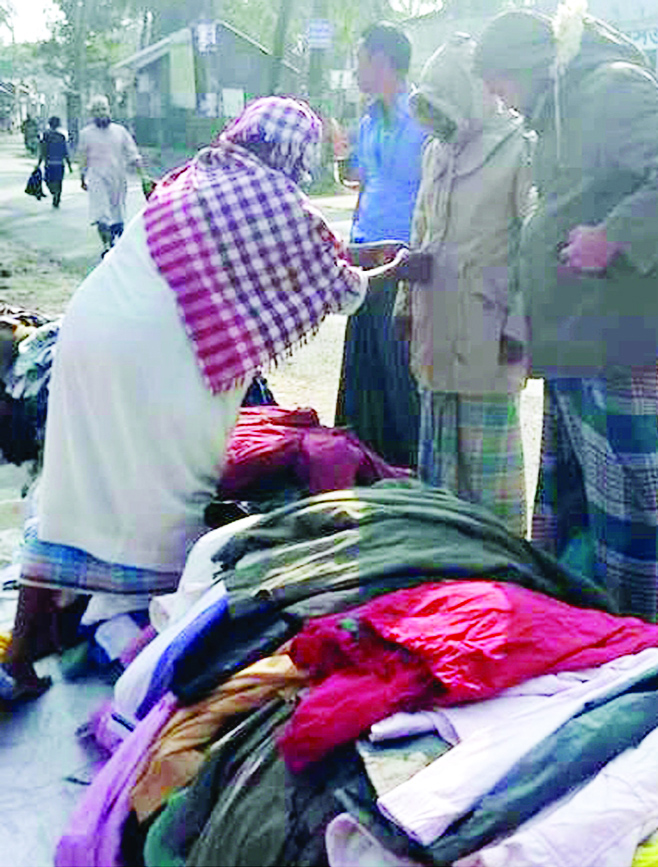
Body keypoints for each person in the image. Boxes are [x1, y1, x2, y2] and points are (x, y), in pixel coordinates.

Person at [0, 97, 413, 705]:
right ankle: (149, 663)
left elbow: (289, 260)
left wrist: (354, 253)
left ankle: (25, 653)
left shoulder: (203, 175)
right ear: (296, 153)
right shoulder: (277, 202)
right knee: (165, 498)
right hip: (158, 361)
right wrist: (389, 268)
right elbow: (340, 291)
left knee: (75, 490)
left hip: (89, 335)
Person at [474, 3, 658, 621]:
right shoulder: (554, 112)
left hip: (612, 341)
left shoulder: (611, 88)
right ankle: (588, 629)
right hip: (570, 342)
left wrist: (613, 236)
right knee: (576, 505)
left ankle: (651, 638)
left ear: (526, 65)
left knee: (632, 506)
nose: (497, 98)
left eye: (498, 82)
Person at [396, 33, 533, 535]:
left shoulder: (519, 147)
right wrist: (405, 306)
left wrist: (520, 326)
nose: (437, 120)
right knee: (440, 470)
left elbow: (533, 247)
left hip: (489, 333)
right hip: (435, 327)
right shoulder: (436, 151)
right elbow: (421, 231)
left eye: (443, 105)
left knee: (489, 480)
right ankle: (447, 573)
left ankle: (501, 574)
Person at [334, 22, 428, 468]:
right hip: (365, 253)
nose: (355, 70)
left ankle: (408, 468)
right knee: (363, 368)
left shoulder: (425, 117)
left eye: (360, 59)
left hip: (404, 260)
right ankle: (366, 465)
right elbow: (364, 182)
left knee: (398, 371)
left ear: (383, 61)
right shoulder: (370, 119)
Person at [76, 95, 143, 255]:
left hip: (118, 177)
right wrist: (82, 177)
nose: (101, 113)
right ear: (92, 114)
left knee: (118, 212)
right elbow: (82, 157)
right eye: (97, 110)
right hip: (96, 177)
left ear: (109, 110)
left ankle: (116, 243)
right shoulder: (86, 134)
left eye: (104, 109)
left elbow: (132, 153)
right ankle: (107, 246)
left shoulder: (120, 131)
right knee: (101, 214)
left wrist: (143, 175)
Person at [37, 116, 72, 208]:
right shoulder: (61, 136)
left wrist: (39, 163)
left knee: (48, 180)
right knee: (59, 181)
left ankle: (54, 193)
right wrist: (69, 165)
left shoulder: (46, 135)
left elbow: (43, 150)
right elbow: (65, 151)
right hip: (60, 163)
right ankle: (57, 196)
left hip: (49, 163)